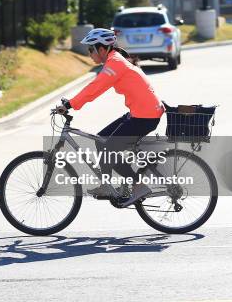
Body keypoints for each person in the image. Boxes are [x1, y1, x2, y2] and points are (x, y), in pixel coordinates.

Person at [56, 28, 164, 207]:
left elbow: (95, 88)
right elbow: (95, 88)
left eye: (91, 49)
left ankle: (138, 186)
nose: (89, 53)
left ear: (102, 49)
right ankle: (107, 185)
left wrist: (70, 104)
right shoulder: (114, 60)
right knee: (101, 140)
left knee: (109, 148)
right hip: (140, 113)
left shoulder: (115, 63)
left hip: (145, 116)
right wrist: (73, 103)